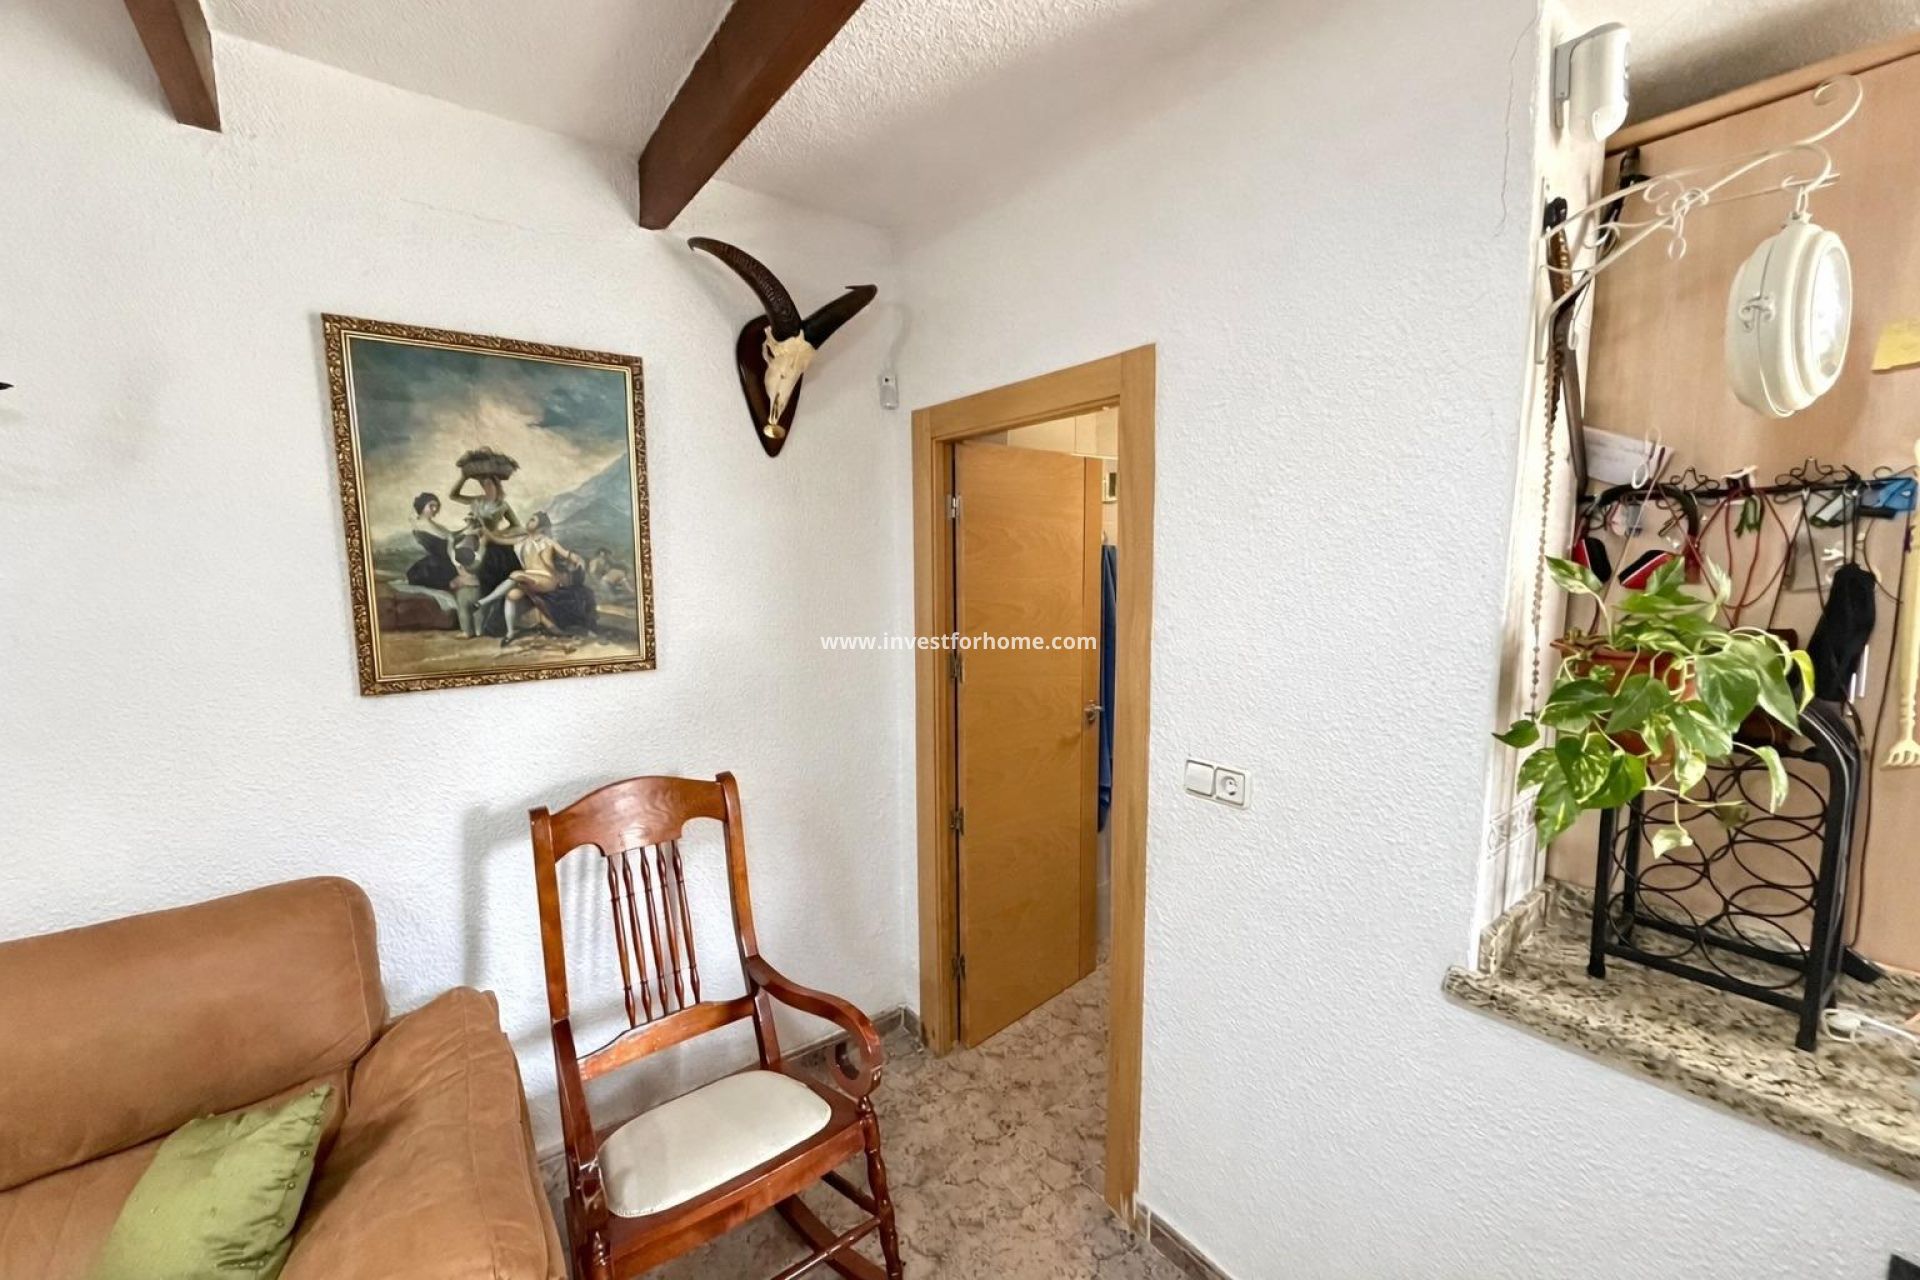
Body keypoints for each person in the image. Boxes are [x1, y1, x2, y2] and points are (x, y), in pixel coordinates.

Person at [471, 511, 598, 647]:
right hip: (528, 578)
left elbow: (566, 554)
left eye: (533, 520)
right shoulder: (522, 540)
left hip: (547, 579)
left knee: (516, 574)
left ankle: (483, 602)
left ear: (540, 526)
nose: (528, 521)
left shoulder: (547, 541)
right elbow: (497, 540)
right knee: (511, 595)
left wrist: (578, 560)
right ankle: (510, 633)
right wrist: (483, 527)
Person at [447, 471, 522, 633]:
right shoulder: (477, 500)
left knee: (496, 578)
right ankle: (473, 624)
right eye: (482, 484)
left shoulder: (502, 505)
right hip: (475, 543)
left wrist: (497, 533)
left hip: (494, 546)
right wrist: (464, 477)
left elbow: (517, 526)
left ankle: (491, 623)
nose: (485, 487)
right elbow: (453, 495)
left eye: (488, 484)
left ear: (496, 484)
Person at [405, 493, 459, 592]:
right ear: (422, 505)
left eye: (436, 506)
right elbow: (448, 537)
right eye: (431, 506)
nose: (434, 509)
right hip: (437, 566)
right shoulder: (422, 524)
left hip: (442, 562)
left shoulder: (431, 524)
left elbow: (450, 535)